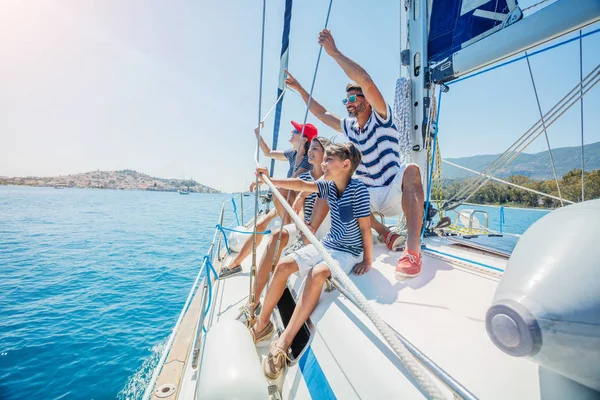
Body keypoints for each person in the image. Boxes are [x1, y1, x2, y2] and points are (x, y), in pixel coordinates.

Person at [284, 29, 425, 279]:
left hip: (393, 190)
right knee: (334, 183)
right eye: (346, 100)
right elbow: (321, 112)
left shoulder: (382, 117)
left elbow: (366, 81)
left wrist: (334, 53)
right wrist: (299, 89)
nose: (348, 103)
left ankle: (412, 252)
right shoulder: (350, 127)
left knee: (412, 170)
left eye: (353, 97)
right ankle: (374, 234)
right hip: (367, 195)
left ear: (366, 100)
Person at [250, 142, 372, 380]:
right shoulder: (328, 186)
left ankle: (284, 342)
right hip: (328, 244)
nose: (323, 164)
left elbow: (366, 229)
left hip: (348, 251)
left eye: (329, 160)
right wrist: (270, 180)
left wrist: (367, 259)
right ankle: (262, 324)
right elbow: (301, 185)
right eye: (324, 159)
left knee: (317, 273)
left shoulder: (358, 190)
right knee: (284, 264)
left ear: (346, 165)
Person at [235, 137, 332, 325]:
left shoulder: (332, 177)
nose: (310, 152)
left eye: (315, 149)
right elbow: (293, 189)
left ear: (326, 154)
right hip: (306, 227)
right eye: (310, 148)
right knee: (276, 236)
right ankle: (252, 303)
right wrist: (267, 179)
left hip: (324, 232)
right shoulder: (303, 177)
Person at [219, 121, 319, 279]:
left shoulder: (308, 160)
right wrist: (257, 133)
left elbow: (293, 182)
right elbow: (268, 152)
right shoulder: (291, 154)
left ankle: (290, 236)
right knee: (259, 224)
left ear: (304, 139)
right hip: (286, 199)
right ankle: (236, 264)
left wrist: (266, 180)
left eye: (295, 131)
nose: (291, 133)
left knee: (279, 190)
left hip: (301, 202)